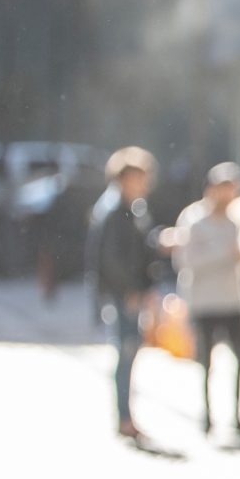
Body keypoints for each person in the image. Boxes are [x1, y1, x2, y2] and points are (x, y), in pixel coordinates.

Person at [167, 163, 240, 444]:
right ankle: (207, 416)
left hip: (234, 300)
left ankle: (237, 416)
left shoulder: (238, 220)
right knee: (206, 362)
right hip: (205, 301)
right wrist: (224, 254)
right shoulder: (194, 219)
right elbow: (185, 260)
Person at [86, 148, 161, 442]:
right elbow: (111, 259)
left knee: (131, 351)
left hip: (132, 292)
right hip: (122, 295)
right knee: (125, 351)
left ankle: (127, 415)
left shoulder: (133, 208)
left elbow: (140, 249)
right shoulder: (114, 209)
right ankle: (123, 416)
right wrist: (130, 290)